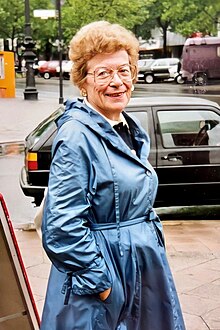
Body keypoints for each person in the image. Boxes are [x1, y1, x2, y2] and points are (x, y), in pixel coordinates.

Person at [40, 21, 185, 330]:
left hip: (139, 272)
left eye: (123, 70)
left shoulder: (126, 129)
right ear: (83, 82)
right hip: (105, 280)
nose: (117, 81)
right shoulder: (76, 137)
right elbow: (61, 227)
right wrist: (104, 286)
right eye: (103, 73)